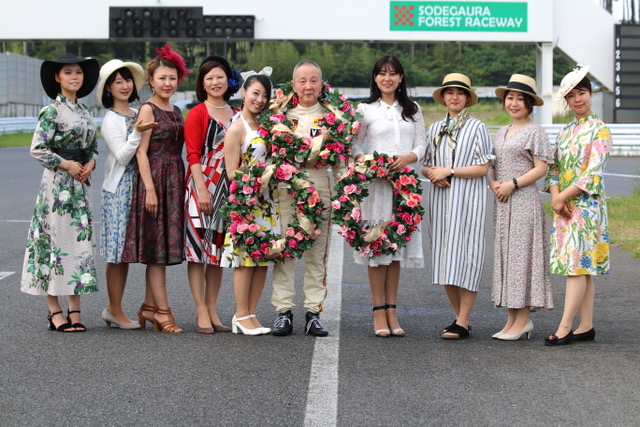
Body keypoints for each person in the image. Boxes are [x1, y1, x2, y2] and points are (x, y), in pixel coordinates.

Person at [20, 53, 100, 332]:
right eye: (68, 72)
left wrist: (90, 163)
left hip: (81, 186)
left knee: (78, 246)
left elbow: (93, 148)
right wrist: (67, 164)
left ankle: (75, 310)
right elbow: (38, 148)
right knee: (53, 245)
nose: (74, 77)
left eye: (78, 72)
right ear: (57, 77)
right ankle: (55, 311)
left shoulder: (86, 112)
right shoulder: (51, 111)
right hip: (57, 188)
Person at [351, 55, 426, 337]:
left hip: (405, 188)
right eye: (382, 73)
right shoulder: (365, 109)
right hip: (377, 187)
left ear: (401, 78)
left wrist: (408, 157)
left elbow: (421, 144)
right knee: (377, 247)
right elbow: (354, 146)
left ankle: (392, 310)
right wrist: (368, 161)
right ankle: (378, 311)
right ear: (375, 77)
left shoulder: (413, 109)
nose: (387, 78)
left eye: (393, 73)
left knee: (395, 249)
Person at [121, 44, 190, 334]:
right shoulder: (147, 109)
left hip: (173, 179)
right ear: (151, 80)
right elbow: (141, 152)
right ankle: (163, 312)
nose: (167, 83)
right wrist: (149, 190)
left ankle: (149, 307)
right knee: (156, 250)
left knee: (161, 247)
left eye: (172, 78)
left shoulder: (176, 109)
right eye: (162, 78)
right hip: (155, 180)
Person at [270, 60, 341, 337]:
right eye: (302, 80)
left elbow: (340, 160)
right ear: (293, 84)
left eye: (313, 80)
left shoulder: (333, 115)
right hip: (286, 188)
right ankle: (283, 312)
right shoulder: (280, 114)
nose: (308, 86)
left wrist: (347, 192)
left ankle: (313, 312)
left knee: (317, 254)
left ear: (322, 84)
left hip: (320, 186)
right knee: (285, 250)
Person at [544, 65, 612, 346]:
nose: (577, 100)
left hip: (586, 208)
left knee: (576, 267)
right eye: (571, 96)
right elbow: (554, 169)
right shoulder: (565, 132)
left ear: (590, 94)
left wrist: (561, 198)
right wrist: (556, 197)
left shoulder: (600, 130)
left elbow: (592, 174)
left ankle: (565, 327)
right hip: (564, 208)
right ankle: (586, 326)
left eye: (581, 93)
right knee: (580, 267)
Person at [422, 73, 492, 340]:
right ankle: (460, 317)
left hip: (468, 200)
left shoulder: (477, 128)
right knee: (445, 258)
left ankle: (462, 321)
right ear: (443, 97)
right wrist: (433, 174)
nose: (454, 97)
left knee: (468, 256)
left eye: (460, 92)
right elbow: (426, 165)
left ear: (467, 97)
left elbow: (483, 167)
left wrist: (449, 171)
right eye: (450, 92)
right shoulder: (434, 129)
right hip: (440, 200)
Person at [489, 74, 554, 341]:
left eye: (520, 99)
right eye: (510, 98)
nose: (514, 103)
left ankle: (524, 319)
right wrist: (494, 183)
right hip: (503, 202)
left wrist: (512, 184)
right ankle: (512, 320)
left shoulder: (534, 131)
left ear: (529, 103)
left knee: (522, 259)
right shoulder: (503, 130)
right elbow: (494, 163)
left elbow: (542, 167)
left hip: (524, 200)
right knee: (507, 258)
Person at [97, 59, 157, 330]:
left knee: (128, 251)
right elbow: (122, 156)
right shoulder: (110, 120)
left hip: (140, 186)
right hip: (119, 189)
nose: (124, 86)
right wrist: (136, 133)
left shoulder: (137, 111)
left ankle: (115, 309)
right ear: (108, 88)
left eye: (127, 80)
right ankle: (115, 310)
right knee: (117, 252)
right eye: (117, 82)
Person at [183, 56, 241, 334]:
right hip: (202, 185)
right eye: (209, 78)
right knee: (197, 251)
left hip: (228, 189)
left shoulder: (238, 114)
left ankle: (212, 307)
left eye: (220, 76)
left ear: (228, 79)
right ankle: (200, 309)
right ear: (202, 84)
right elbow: (193, 155)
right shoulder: (197, 113)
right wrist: (202, 190)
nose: (215, 82)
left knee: (217, 251)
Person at [221, 73, 278, 336]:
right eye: (255, 93)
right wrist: (256, 178)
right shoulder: (237, 128)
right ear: (244, 93)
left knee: (262, 257)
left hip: (267, 202)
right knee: (245, 260)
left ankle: (252, 314)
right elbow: (231, 172)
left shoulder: (267, 124)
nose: (260, 99)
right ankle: (240, 314)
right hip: (246, 202)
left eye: (265, 95)